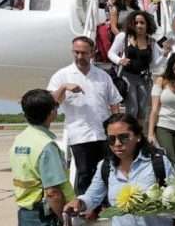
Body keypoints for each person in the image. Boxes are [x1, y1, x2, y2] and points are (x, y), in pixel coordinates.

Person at [9, 89, 75, 226]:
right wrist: (64, 220)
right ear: (51, 114)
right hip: (44, 218)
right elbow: (53, 192)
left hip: (26, 215)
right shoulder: (45, 146)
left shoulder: (21, 139)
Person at [47, 36, 122, 195]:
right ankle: (85, 207)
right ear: (72, 51)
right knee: (85, 173)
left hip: (103, 133)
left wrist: (117, 128)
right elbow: (51, 102)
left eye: (84, 53)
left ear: (92, 53)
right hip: (80, 134)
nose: (80, 56)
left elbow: (114, 101)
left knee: (108, 170)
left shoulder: (102, 76)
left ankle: (106, 204)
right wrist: (63, 88)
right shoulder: (62, 75)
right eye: (77, 52)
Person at [108, 10, 163, 128]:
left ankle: (138, 136)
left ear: (147, 25)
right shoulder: (124, 37)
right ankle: (130, 135)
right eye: (136, 22)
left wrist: (165, 54)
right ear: (131, 24)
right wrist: (119, 60)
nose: (139, 25)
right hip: (128, 76)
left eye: (142, 22)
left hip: (144, 79)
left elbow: (154, 64)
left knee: (143, 110)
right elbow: (111, 53)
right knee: (132, 109)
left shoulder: (151, 42)